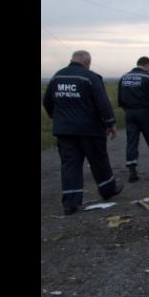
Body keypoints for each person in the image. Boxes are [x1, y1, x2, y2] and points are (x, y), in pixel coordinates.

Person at [43, 50, 123, 215]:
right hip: (90, 130)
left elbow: (47, 101)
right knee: (99, 161)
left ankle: (70, 203)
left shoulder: (57, 77)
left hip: (64, 130)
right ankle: (108, 190)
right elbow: (102, 103)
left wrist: (56, 117)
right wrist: (110, 124)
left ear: (72, 60)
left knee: (70, 164)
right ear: (87, 62)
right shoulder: (90, 77)